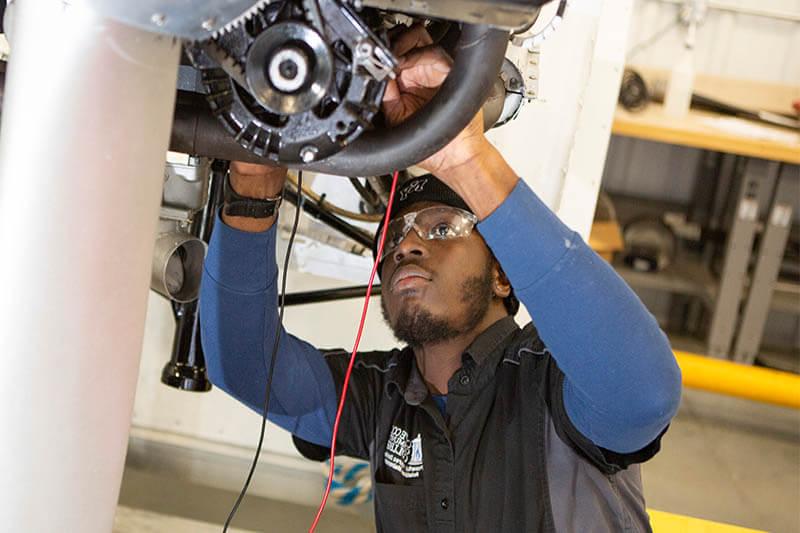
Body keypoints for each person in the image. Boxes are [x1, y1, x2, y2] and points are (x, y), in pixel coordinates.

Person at [200, 25, 682, 532]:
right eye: (396, 237)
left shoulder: (552, 383)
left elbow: (642, 394)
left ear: (501, 274)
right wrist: (252, 188)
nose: (407, 244)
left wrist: (467, 160)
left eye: (443, 228)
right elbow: (245, 365)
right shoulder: (384, 396)